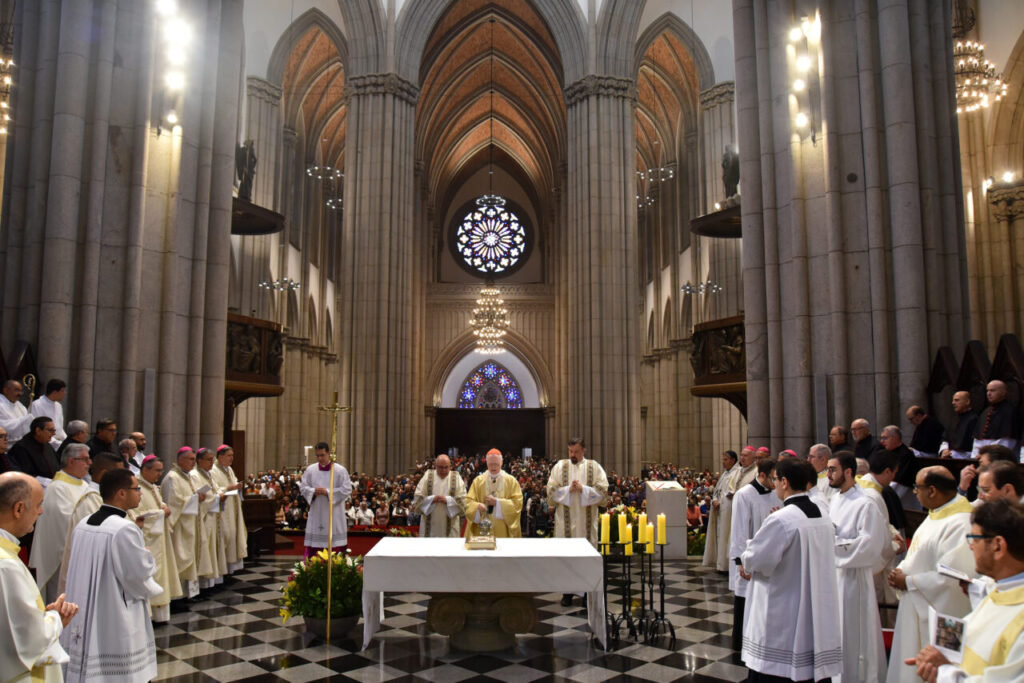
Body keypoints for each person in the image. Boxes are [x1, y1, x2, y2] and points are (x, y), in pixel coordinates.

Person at [738, 457, 843, 682]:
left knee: (778, 669)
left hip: (784, 608)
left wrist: (747, 556)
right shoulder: (823, 516)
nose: (774, 484)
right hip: (815, 609)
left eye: (776, 480)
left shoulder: (782, 519)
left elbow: (757, 559)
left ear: (784, 482)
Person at [903, 499, 1024, 682]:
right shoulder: (999, 590)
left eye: (974, 538)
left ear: (998, 546)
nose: (970, 546)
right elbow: (974, 628)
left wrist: (943, 672)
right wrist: (937, 653)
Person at [61, 468, 162, 681]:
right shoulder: (123, 528)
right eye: (136, 489)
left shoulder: (84, 522)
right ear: (121, 493)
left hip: (84, 604)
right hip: (113, 608)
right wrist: (148, 557)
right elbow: (136, 575)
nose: (140, 493)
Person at [886, 467, 977, 683]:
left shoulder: (960, 522)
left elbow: (954, 579)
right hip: (915, 603)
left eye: (918, 487)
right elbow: (920, 553)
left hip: (937, 615)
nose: (915, 492)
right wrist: (902, 570)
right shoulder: (936, 514)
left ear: (933, 491)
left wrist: (908, 581)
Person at [0, 472, 78, 681]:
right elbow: (31, 640)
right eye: (38, 505)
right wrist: (56, 619)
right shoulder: (6, 565)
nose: (41, 511)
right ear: (19, 509)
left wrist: (41, 615)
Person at [828, 451, 889, 683]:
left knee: (854, 635)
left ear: (849, 472)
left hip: (854, 578)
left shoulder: (866, 503)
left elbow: (869, 546)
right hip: (835, 575)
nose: (829, 474)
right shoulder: (836, 499)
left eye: (833, 469)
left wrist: (832, 546)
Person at [546, 436, 609, 606]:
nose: (573, 454)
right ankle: (567, 593)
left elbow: (603, 493)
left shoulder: (594, 467)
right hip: (564, 523)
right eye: (570, 451)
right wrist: (568, 490)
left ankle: (587, 594)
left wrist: (584, 490)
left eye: (576, 451)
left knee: (585, 558)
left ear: (584, 451)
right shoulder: (560, 467)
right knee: (566, 559)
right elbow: (551, 493)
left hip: (586, 524)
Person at [28, 444, 91, 603]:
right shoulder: (57, 488)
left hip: (83, 550)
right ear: (71, 461)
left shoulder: (84, 485)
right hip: (62, 556)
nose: (89, 463)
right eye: (85, 459)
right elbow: (66, 522)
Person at [57, 453, 126, 594]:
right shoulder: (90, 501)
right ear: (104, 474)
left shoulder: (105, 497)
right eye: (119, 474)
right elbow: (92, 544)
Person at [729, 457, 777, 652]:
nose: (776, 482)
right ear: (762, 475)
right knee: (745, 602)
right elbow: (739, 531)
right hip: (747, 560)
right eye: (773, 478)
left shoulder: (776, 494)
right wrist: (742, 562)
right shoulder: (745, 495)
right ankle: (741, 646)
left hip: (767, 559)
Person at [135, 455, 181, 623]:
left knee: (160, 574)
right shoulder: (136, 487)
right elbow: (136, 515)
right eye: (157, 470)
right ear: (145, 470)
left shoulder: (152, 487)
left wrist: (162, 506)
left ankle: (159, 613)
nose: (159, 474)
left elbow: (158, 503)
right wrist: (162, 512)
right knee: (152, 574)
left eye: (161, 470)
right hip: (148, 541)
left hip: (158, 538)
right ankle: (150, 615)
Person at [162, 447, 205, 599]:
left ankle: (187, 594)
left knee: (188, 559)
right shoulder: (172, 477)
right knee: (178, 560)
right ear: (180, 459)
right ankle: (176, 597)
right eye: (190, 459)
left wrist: (198, 498)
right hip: (178, 526)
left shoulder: (188, 477)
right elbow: (173, 502)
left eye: (194, 459)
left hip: (189, 524)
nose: (193, 463)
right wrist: (195, 499)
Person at [298, 441, 352, 558]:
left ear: (329, 454)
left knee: (334, 544)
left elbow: (347, 489)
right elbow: (303, 487)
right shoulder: (311, 470)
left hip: (334, 512)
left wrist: (327, 492)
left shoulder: (340, 470)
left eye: (322, 455)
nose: (320, 458)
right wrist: (313, 491)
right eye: (317, 455)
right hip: (317, 511)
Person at [465, 449, 523, 538]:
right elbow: (468, 502)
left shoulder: (511, 481)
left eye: (496, 464)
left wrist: (498, 503)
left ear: (502, 462)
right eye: (490, 464)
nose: (493, 468)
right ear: (486, 463)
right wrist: (477, 506)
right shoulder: (478, 481)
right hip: (482, 529)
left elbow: (517, 504)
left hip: (503, 530)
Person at [192, 447, 226, 589]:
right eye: (209, 459)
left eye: (212, 459)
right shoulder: (195, 475)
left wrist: (220, 493)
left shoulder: (207, 474)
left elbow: (215, 489)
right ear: (199, 460)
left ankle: (210, 583)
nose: (212, 462)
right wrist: (218, 496)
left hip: (212, 516)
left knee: (212, 550)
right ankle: (203, 584)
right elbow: (200, 496)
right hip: (204, 518)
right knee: (204, 551)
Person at [411, 454, 467, 538]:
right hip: (429, 527)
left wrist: (448, 500)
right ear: (435, 466)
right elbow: (418, 497)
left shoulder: (456, 477)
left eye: (446, 467)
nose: (443, 470)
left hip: (450, 526)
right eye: (440, 467)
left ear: (450, 466)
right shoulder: (428, 476)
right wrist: (432, 499)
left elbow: (463, 500)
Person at [210, 445, 247, 573]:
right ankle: (222, 569)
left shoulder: (229, 469)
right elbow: (214, 490)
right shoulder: (213, 470)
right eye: (229, 455)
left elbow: (233, 483)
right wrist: (229, 488)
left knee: (232, 535)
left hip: (233, 508)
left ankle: (230, 569)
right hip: (223, 509)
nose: (232, 458)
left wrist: (237, 486)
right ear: (220, 456)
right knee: (225, 536)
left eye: (232, 455)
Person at [703, 450, 739, 571]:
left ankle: (725, 565)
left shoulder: (737, 473)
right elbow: (717, 491)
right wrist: (714, 499)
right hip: (719, 509)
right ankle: (720, 563)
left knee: (725, 535)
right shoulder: (725, 474)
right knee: (720, 536)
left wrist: (720, 501)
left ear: (733, 460)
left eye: (725, 460)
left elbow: (732, 492)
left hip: (726, 510)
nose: (723, 462)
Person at [876, 424, 920, 511]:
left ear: (895, 438)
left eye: (885, 438)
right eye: (881, 438)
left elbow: (900, 481)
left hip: (904, 496)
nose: (882, 442)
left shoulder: (906, 455)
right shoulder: (885, 453)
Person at [973, 380, 1020, 454]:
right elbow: (978, 438)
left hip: (997, 455)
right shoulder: (985, 411)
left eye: (992, 390)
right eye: (987, 391)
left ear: (1003, 392)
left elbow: (1007, 441)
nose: (989, 393)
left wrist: (987, 455)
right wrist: (977, 454)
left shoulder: (1009, 411)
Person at [7, 416, 60, 480]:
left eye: (54, 430)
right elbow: (25, 475)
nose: (54, 433)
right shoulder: (21, 448)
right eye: (50, 430)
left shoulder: (47, 445)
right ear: (38, 431)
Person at [30, 379, 66, 447]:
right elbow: (36, 427)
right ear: (55, 392)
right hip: (44, 443)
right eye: (62, 391)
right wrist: (56, 442)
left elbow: (59, 428)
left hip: (58, 442)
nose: (64, 393)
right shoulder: (37, 405)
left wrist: (65, 440)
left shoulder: (58, 406)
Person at [945, 391, 977, 459]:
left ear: (967, 402)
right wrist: (944, 450)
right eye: (953, 400)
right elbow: (945, 437)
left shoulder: (973, 419)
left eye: (957, 400)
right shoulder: (954, 419)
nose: (953, 403)